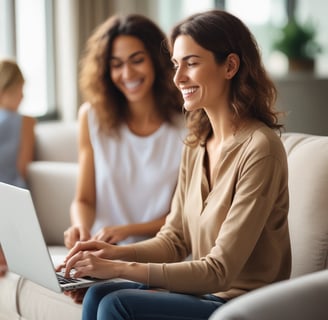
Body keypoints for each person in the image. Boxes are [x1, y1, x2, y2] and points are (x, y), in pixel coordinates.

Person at [58, 9, 291, 320]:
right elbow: (175, 239)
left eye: (191, 63)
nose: (178, 78)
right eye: (175, 65)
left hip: (244, 304)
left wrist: (118, 267)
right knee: (100, 292)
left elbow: (220, 271)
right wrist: (110, 253)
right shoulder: (197, 142)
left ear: (230, 66)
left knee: (117, 304)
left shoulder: (261, 149)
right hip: (204, 294)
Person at [63, 14, 186, 249]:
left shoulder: (187, 124)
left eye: (137, 60)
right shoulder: (91, 117)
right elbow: (84, 200)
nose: (127, 74)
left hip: (159, 255)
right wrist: (80, 227)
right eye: (117, 64)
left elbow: (181, 217)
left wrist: (126, 231)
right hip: (102, 253)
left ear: (157, 60)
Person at [0, 59, 35, 277]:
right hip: (12, 203)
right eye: (21, 90)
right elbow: (21, 169)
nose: (23, 97)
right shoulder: (26, 122)